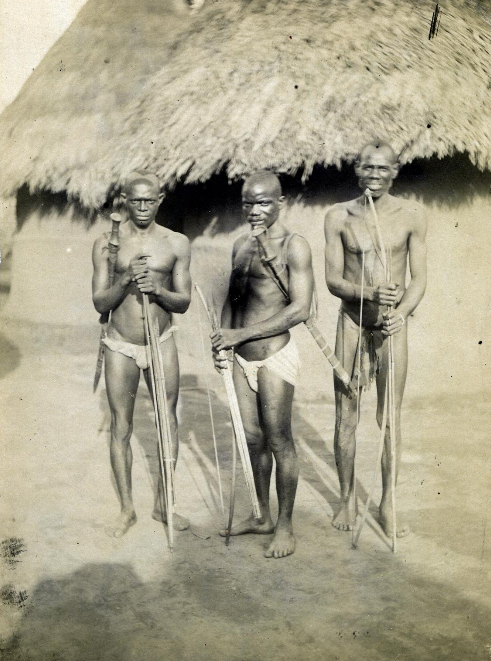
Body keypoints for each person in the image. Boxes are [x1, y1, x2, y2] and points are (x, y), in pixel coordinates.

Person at [324, 141, 427, 538]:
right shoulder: (339, 216)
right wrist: (368, 293)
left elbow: (419, 278)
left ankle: (387, 502)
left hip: (389, 328)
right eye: (368, 167)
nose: (375, 175)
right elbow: (333, 279)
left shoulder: (412, 216)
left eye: (383, 169)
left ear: (395, 171)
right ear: (357, 169)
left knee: (390, 417)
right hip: (351, 323)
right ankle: (347, 496)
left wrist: (400, 313)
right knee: (346, 414)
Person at [211, 171, 314, 558]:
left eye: (263, 203)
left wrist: (242, 335)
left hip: (274, 355)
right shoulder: (240, 245)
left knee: (278, 439)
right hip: (239, 358)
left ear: (280, 202)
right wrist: (223, 338)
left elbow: (301, 308)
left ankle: (285, 526)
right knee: (252, 440)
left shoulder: (295, 246)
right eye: (247, 203)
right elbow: (233, 299)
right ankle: (262, 516)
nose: (253, 210)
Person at [92, 171, 192, 537]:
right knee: (122, 426)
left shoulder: (177, 243)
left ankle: (165, 505)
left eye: (150, 200)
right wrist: (124, 280)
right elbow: (98, 302)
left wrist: (158, 291)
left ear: (161, 199)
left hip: (161, 341)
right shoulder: (107, 244)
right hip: (121, 344)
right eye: (136, 201)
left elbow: (184, 301)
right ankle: (126, 509)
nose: (143, 207)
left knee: (168, 419)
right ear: (124, 200)